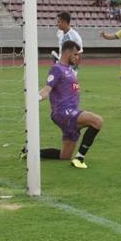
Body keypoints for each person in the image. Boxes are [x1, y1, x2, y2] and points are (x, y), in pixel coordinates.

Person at [36, 41, 103, 169]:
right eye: (76, 54)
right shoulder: (57, 69)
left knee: (64, 156)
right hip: (64, 112)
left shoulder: (69, 70)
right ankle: (79, 158)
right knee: (97, 121)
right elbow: (46, 89)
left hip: (71, 112)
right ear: (68, 52)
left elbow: (71, 88)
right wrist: (34, 98)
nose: (78, 57)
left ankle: (30, 152)